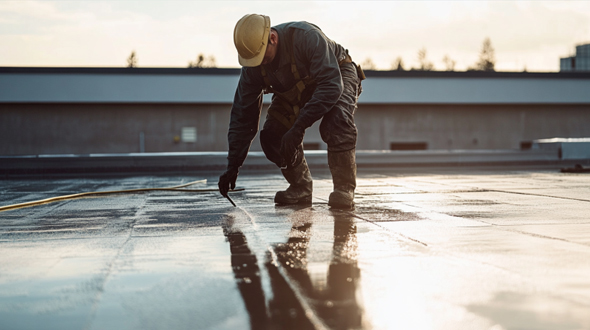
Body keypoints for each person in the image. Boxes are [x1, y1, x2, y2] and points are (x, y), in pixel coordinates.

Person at [218, 14, 364, 209]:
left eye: (262, 58)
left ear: (272, 38)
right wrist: (233, 165)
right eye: (254, 61)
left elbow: (330, 86)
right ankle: (301, 187)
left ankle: (344, 189)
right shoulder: (253, 67)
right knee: (273, 136)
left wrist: (299, 127)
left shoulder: (306, 37)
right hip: (297, 88)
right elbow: (242, 116)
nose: (260, 64)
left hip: (337, 74)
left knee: (336, 121)